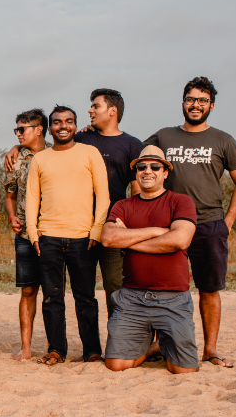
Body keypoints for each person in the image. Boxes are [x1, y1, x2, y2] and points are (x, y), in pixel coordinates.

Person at [144, 76, 236, 368]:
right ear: (183, 103)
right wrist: (94, 131)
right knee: (163, 288)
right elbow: (134, 155)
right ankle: (161, 344)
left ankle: (210, 349)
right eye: (191, 99)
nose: (196, 104)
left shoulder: (223, 140)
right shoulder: (164, 136)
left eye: (203, 100)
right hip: (170, 225)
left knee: (209, 289)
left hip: (209, 224)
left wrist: (227, 222)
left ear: (211, 106)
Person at [101, 146, 198, 374]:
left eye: (155, 166)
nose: (147, 171)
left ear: (165, 172)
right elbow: (108, 238)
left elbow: (180, 240)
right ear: (136, 172)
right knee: (116, 365)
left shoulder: (181, 201)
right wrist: (157, 231)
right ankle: (155, 347)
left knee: (183, 371)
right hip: (132, 298)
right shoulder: (123, 205)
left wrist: (127, 239)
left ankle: (163, 345)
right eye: (141, 167)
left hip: (173, 299)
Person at [26, 105, 109, 366]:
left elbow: (103, 194)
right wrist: (32, 231)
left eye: (69, 121)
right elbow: (32, 197)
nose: (63, 126)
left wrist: (97, 228)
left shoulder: (90, 153)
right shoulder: (40, 159)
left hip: (84, 238)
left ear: (75, 125)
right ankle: (56, 350)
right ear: (49, 129)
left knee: (86, 298)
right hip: (48, 236)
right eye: (58, 122)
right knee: (52, 298)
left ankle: (91, 351)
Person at [73, 89, 145, 319]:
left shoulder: (132, 144)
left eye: (96, 106)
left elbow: (137, 190)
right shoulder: (82, 139)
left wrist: (131, 228)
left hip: (114, 226)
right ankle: (90, 342)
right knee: (83, 290)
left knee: (115, 288)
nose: (90, 110)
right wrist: (18, 148)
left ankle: (118, 338)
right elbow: (55, 151)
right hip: (81, 225)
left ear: (112, 111)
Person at [3, 109, 50, 361]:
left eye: (22, 129)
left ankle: (55, 346)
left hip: (52, 233)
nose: (18, 134)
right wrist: (12, 216)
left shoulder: (57, 152)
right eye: (16, 130)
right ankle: (26, 347)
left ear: (39, 129)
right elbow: (10, 195)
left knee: (52, 292)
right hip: (24, 236)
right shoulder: (15, 158)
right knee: (28, 292)